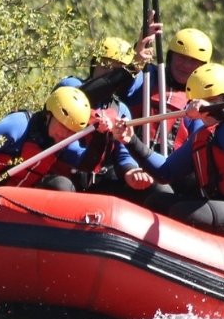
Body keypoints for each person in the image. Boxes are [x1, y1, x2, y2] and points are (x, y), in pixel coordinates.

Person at [96, 63, 224, 247]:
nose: (207, 109)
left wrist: (219, 110)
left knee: (181, 211)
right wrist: (131, 141)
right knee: (156, 201)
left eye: (213, 101)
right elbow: (166, 172)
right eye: (201, 104)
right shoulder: (203, 136)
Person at [56, 36, 159, 198]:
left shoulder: (120, 109)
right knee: (62, 185)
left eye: (116, 70)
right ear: (94, 65)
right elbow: (84, 96)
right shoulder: (70, 87)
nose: (109, 74)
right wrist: (130, 68)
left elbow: (122, 153)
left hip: (95, 178)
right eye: (105, 66)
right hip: (62, 174)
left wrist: (130, 171)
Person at [0, 86, 96, 202]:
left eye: (71, 132)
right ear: (48, 115)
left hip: (12, 202)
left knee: (62, 185)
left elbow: (88, 164)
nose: (66, 135)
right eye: (62, 127)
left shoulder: (63, 142)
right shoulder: (17, 126)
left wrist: (103, 134)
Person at [125, 26, 214, 150]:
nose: (186, 65)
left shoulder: (203, 98)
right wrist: (137, 58)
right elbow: (127, 84)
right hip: (130, 158)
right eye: (181, 57)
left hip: (169, 164)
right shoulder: (149, 75)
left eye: (194, 61)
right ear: (170, 57)